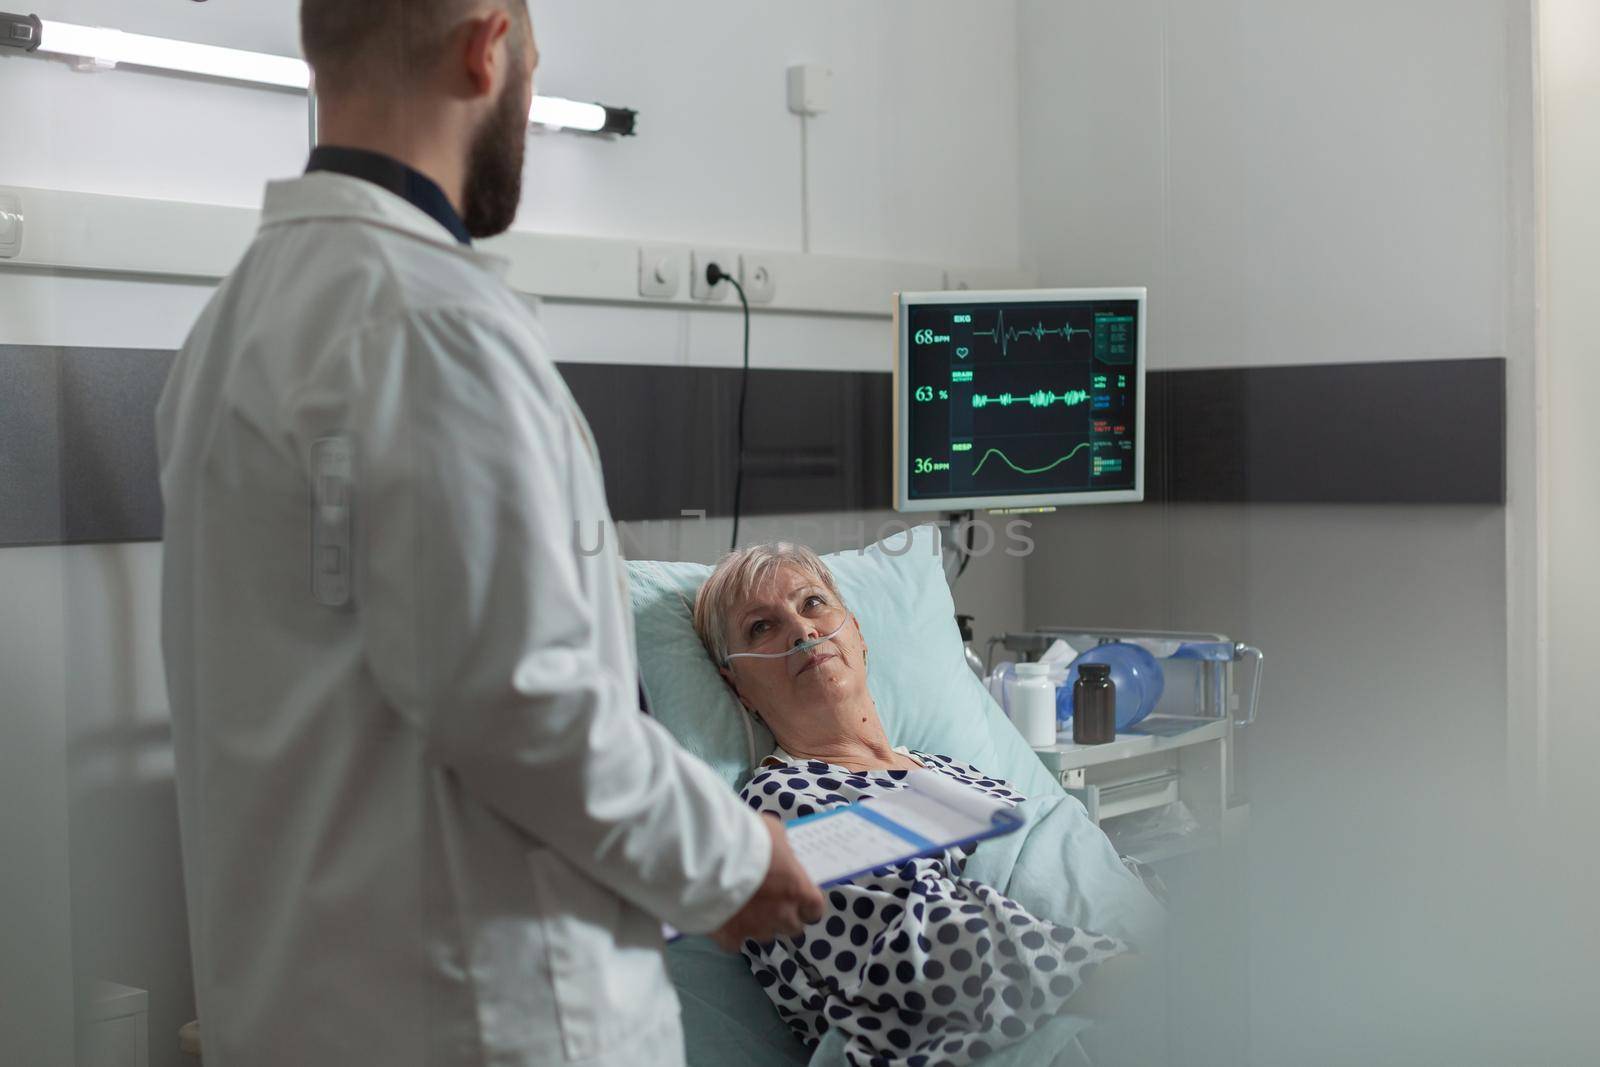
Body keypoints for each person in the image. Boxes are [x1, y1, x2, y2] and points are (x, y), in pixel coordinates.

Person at [155, 3, 821, 1065]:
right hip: (475, 1011)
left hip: (302, 1005)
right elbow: (525, 698)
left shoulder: (234, 327)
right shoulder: (426, 321)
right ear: (485, 46)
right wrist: (730, 858)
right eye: (532, 64)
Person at [692, 543, 1143, 1066]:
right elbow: (927, 951)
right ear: (738, 686)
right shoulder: (782, 801)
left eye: (812, 603)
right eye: (761, 628)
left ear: (858, 635)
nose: (801, 629)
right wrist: (1150, 980)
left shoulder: (951, 772)